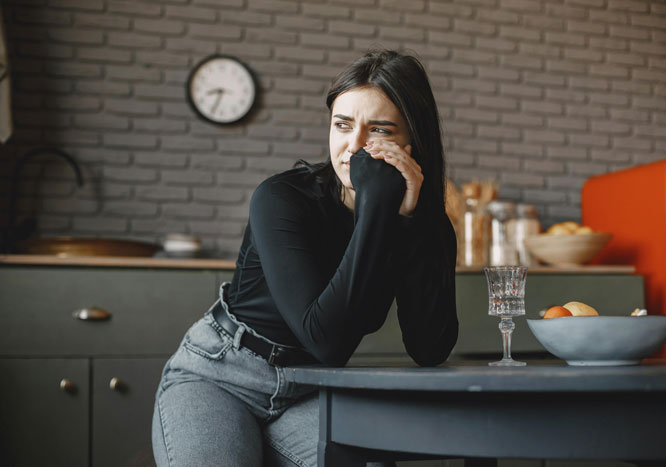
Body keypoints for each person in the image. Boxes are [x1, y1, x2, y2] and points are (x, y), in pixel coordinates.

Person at [152, 49, 458, 467]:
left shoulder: (425, 223)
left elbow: (429, 347)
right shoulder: (282, 199)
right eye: (342, 125)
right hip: (220, 377)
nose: (353, 146)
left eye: (379, 129)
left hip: (310, 390)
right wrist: (376, 208)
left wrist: (406, 222)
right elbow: (327, 339)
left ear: (411, 142)